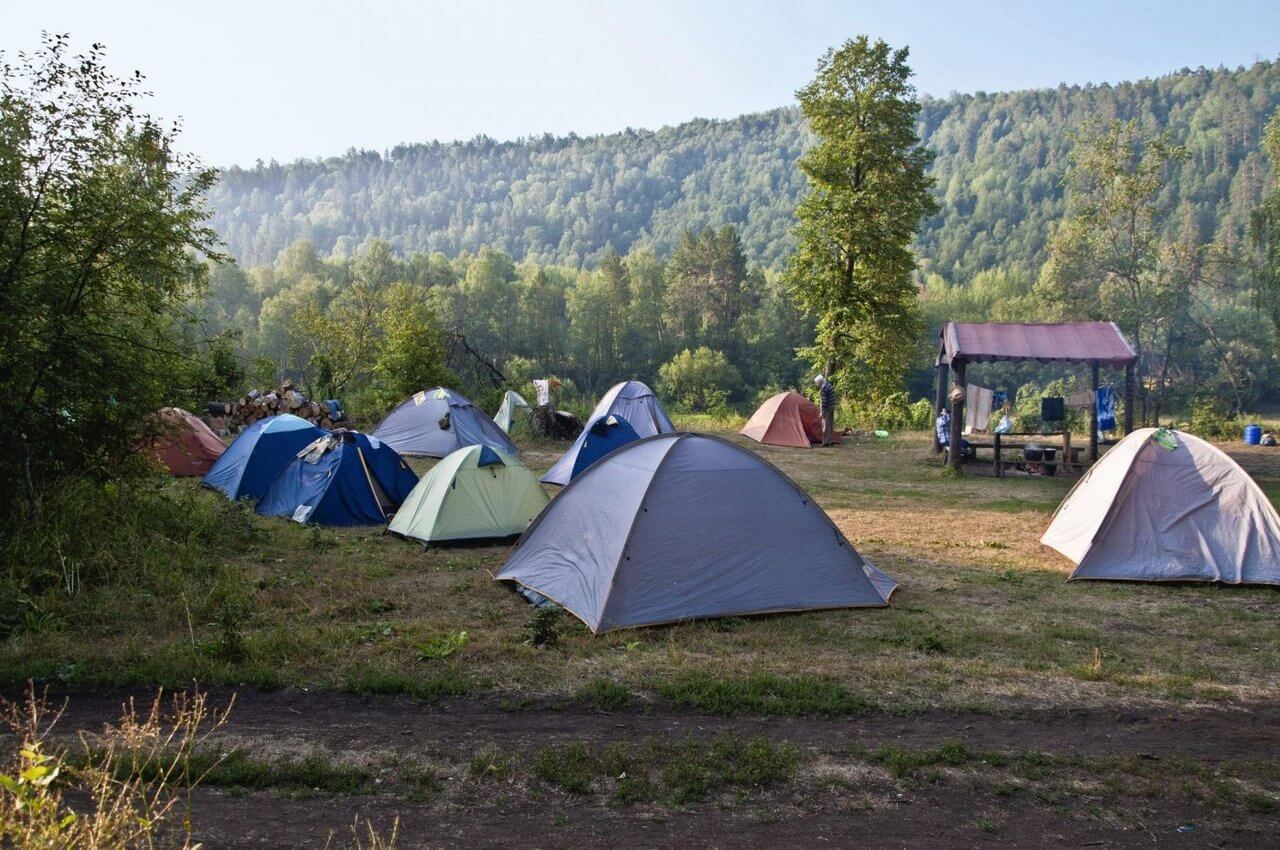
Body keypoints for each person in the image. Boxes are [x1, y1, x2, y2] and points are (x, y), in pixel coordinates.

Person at [814, 374, 836, 447]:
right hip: (832, 406)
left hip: (827, 407)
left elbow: (824, 401)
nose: (817, 385)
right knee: (830, 424)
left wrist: (821, 412)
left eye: (817, 383)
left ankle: (826, 442)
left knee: (825, 425)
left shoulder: (823, 387)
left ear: (820, 382)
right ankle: (830, 440)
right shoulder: (828, 384)